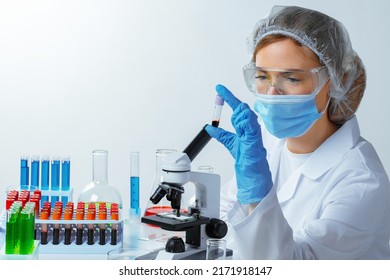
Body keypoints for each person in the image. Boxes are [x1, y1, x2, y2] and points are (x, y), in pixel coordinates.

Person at [205, 5, 390, 259]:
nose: (271, 93)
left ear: (333, 83)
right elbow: (222, 225)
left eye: (291, 79)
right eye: (261, 76)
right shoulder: (267, 146)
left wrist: (258, 196)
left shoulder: (361, 182)